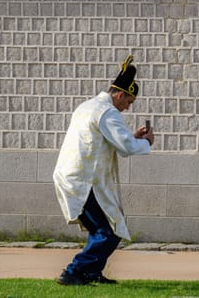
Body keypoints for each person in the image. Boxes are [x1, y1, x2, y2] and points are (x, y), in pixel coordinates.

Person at [53, 55, 154, 285]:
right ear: (120, 94)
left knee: (101, 230)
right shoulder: (108, 112)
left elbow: (107, 140)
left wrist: (131, 136)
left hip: (73, 177)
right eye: (128, 102)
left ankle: (91, 272)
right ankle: (74, 271)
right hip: (83, 181)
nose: (127, 107)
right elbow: (126, 147)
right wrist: (146, 142)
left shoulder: (88, 106)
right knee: (109, 231)